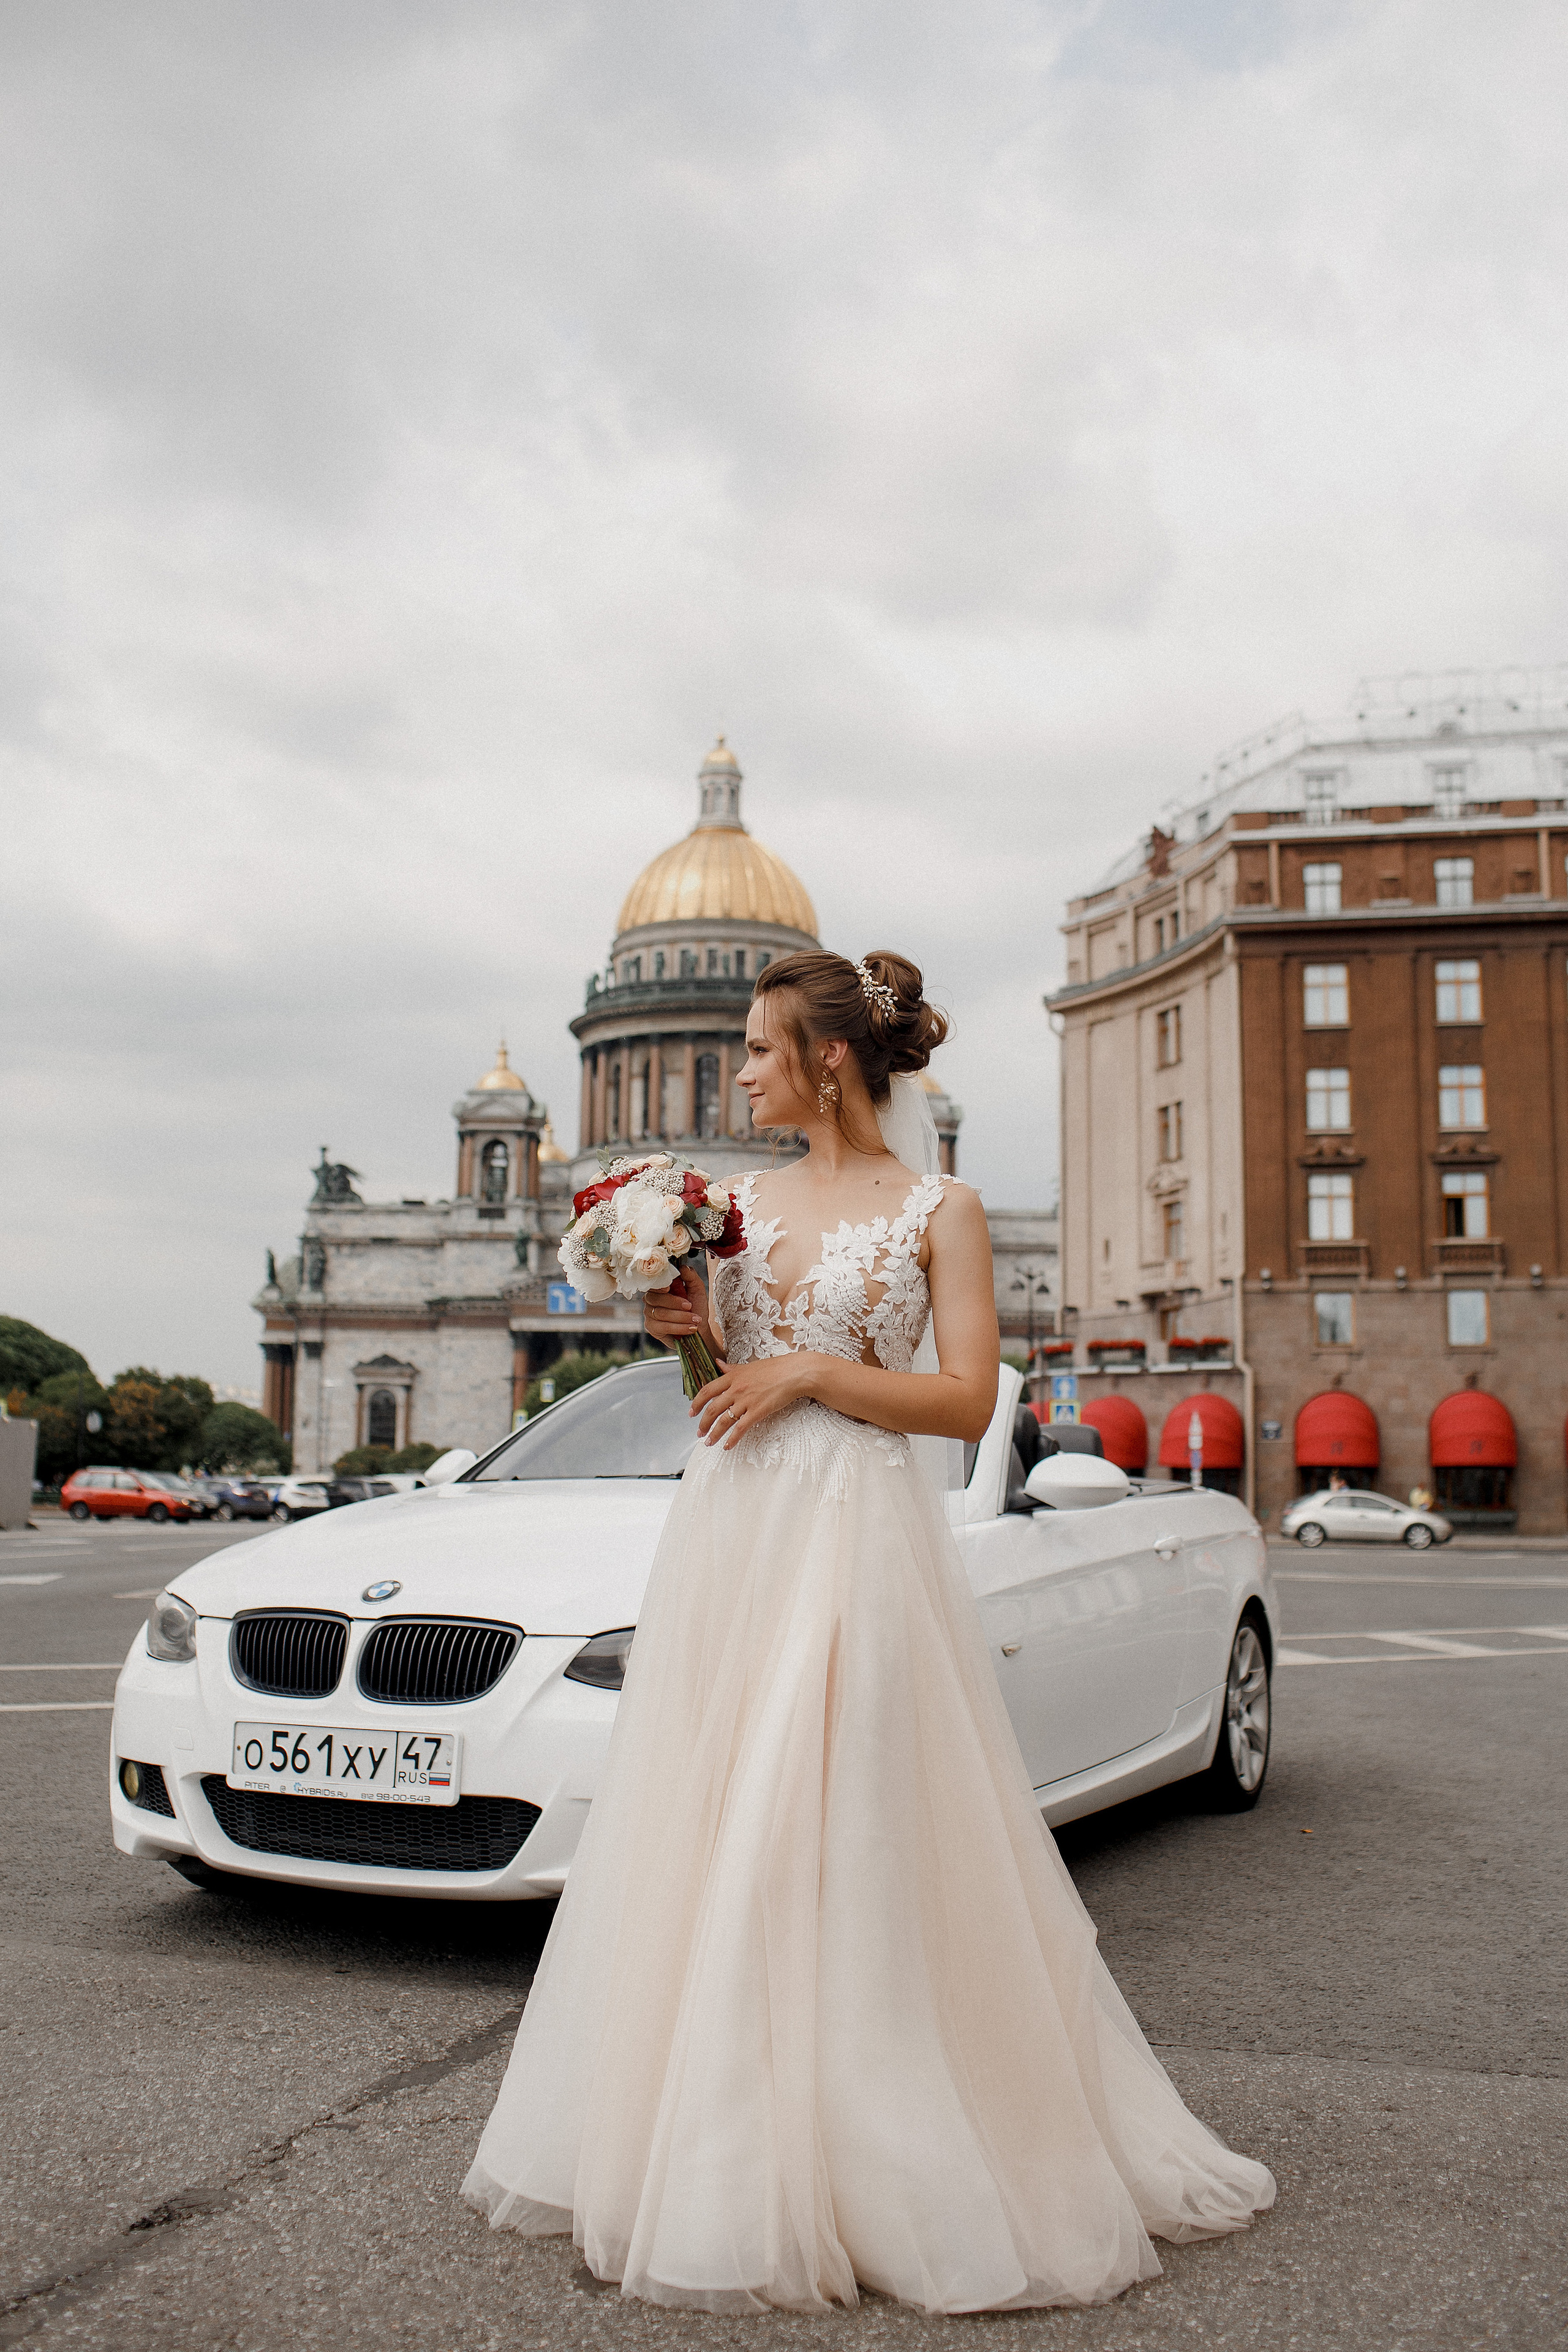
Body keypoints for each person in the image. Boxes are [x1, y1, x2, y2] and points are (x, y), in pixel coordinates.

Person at [464, 949, 1274, 2312]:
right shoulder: (727, 1207)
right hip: (732, 1533)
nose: (739, 1073)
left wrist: (815, 1370)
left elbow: (964, 1403)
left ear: (827, 1061)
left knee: (838, 1818)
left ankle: (873, 2145)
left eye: (760, 1051)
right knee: (720, 1817)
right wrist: (685, 1333)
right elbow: (724, 1390)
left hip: (852, 1536)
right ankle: (722, 2148)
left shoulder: (938, 1211)